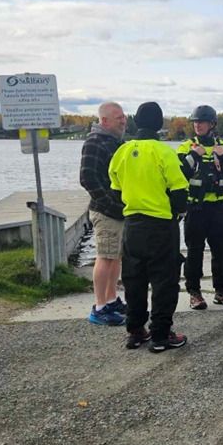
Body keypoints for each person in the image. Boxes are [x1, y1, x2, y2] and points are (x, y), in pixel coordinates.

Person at [108, 102, 190, 352]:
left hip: (132, 225)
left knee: (134, 279)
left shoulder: (122, 151)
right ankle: (161, 336)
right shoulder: (164, 152)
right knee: (164, 281)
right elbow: (179, 190)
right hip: (161, 225)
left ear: (136, 122)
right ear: (159, 123)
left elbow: (115, 189)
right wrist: (177, 213)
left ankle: (135, 332)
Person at [177, 105, 223, 310]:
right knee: (194, 251)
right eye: (195, 122)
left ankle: (221, 291)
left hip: (219, 208)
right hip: (196, 208)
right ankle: (194, 293)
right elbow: (178, 174)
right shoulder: (186, 147)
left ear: (212, 124)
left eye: (201, 122)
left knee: (221, 250)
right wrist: (194, 156)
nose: (197, 125)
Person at [79, 100, 127, 326]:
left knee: (115, 256)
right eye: (119, 117)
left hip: (119, 210)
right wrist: (110, 204)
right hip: (106, 211)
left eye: (124, 116)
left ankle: (111, 299)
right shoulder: (95, 142)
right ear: (105, 120)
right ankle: (99, 307)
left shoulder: (116, 143)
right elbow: (87, 178)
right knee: (105, 257)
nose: (124, 120)